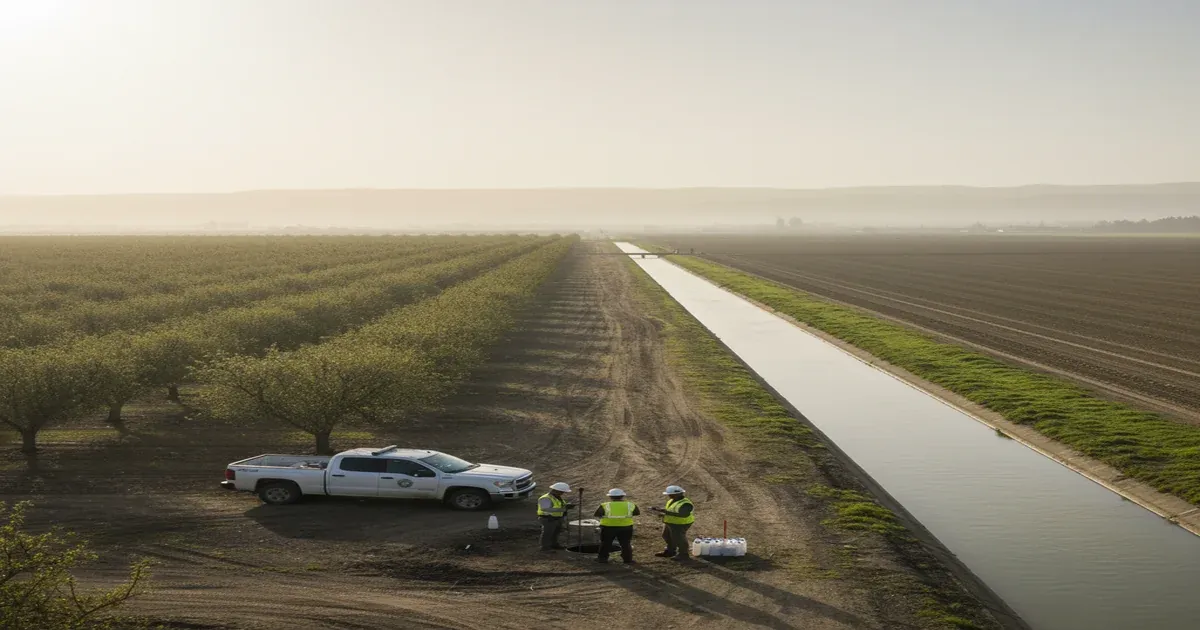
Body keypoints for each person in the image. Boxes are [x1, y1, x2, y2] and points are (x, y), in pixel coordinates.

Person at [594, 488, 639, 564]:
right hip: (626, 527)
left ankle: (602, 559)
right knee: (625, 543)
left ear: (610, 497)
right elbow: (636, 512)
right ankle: (628, 560)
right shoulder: (630, 505)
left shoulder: (605, 505)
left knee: (606, 543)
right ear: (622, 496)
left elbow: (597, 514)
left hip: (608, 527)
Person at [650, 485, 694, 560]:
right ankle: (670, 551)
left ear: (677, 494)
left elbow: (683, 515)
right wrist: (661, 510)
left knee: (679, 539)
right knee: (666, 536)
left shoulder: (686, 504)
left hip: (680, 523)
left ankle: (683, 554)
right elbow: (672, 510)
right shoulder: (672, 500)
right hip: (670, 522)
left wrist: (665, 512)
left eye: (670, 494)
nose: (668, 495)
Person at [537, 482, 576, 551]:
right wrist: (564, 508)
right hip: (548, 518)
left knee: (555, 532)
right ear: (556, 490)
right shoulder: (545, 498)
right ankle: (545, 547)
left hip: (557, 518)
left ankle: (554, 544)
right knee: (547, 533)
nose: (563, 493)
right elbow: (546, 509)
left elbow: (558, 506)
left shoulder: (557, 498)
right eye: (562, 492)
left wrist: (567, 506)